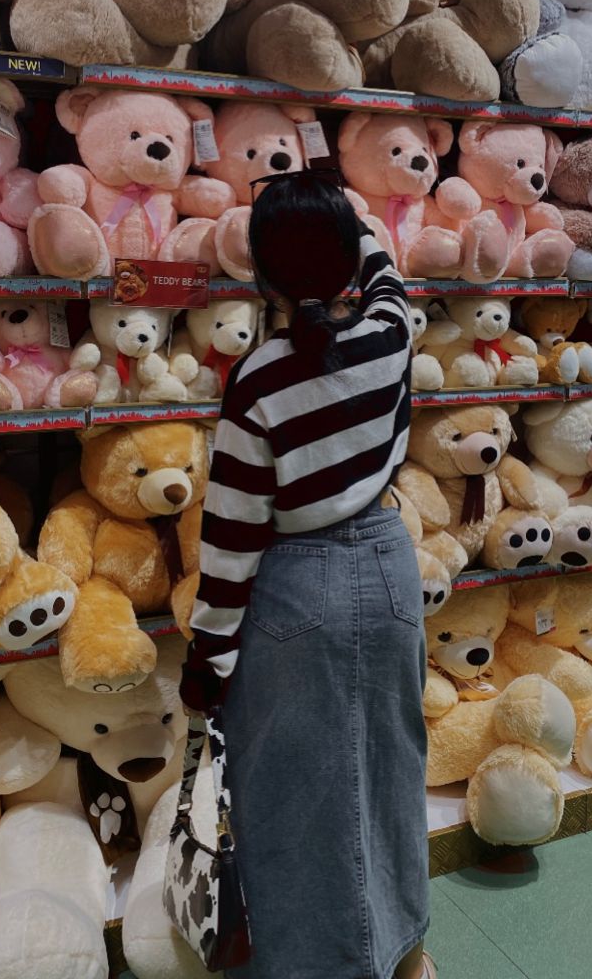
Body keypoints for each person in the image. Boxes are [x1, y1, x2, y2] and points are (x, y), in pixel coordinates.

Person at [180, 170, 433, 979]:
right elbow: (382, 263)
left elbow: (231, 538)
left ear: (264, 277)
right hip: (390, 565)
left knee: (295, 785)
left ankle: (309, 963)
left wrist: (207, 659)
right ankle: (402, 954)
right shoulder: (392, 334)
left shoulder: (258, 382)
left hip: (298, 586)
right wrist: (335, 215)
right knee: (393, 766)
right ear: (348, 264)